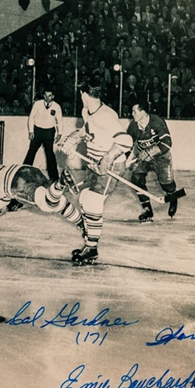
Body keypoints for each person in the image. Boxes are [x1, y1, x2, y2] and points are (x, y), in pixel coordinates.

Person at [59, 82, 133, 265]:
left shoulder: (106, 116)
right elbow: (87, 131)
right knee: (84, 198)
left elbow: (125, 141)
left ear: (83, 93)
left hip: (110, 166)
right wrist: (73, 139)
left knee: (92, 201)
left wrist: (107, 159)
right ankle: (89, 240)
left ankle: (91, 248)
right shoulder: (87, 112)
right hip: (93, 163)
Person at [0, 164, 80, 247]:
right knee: (55, 200)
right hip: (29, 170)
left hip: (17, 181)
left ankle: (61, 183)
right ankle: (81, 223)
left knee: (46, 205)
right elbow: (2, 196)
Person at [126, 102, 179, 222]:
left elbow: (167, 143)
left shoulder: (156, 122)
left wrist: (150, 152)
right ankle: (147, 209)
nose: (132, 114)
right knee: (136, 180)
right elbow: (127, 144)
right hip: (142, 155)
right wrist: (122, 159)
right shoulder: (133, 126)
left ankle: (173, 196)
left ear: (143, 111)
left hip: (161, 155)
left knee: (166, 184)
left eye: (134, 111)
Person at [23, 89, 62, 182]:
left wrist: (60, 133)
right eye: (45, 95)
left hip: (49, 132)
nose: (47, 98)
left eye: (49, 95)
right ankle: (23, 173)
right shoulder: (37, 104)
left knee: (50, 154)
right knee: (31, 151)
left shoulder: (57, 106)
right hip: (37, 131)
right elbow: (31, 117)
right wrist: (31, 131)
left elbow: (59, 120)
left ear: (53, 96)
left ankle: (54, 178)